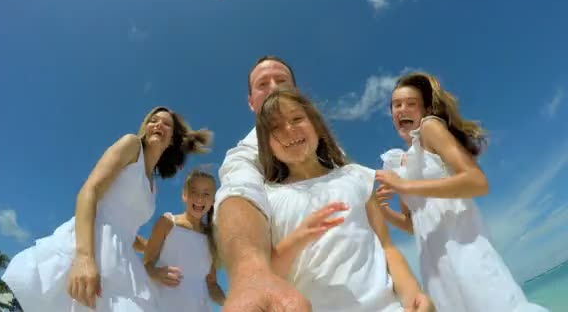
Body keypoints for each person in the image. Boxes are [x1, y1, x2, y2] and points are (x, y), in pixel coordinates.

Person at [1, 106, 212, 312]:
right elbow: (89, 191)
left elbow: (125, 229)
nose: (158, 125)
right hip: (86, 248)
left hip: (119, 262)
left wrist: (162, 244)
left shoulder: (153, 185)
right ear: (145, 127)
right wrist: (83, 258)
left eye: (166, 124)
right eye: (153, 120)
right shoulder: (131, 146)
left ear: (173, 138)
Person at [376, 72, 547, 312]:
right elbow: (414, 224)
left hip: (468, 254)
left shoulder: (429, 128)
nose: (402, 109)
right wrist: (382, 211)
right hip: (436, 271)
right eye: (396, 105)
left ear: (424, 109)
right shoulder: (398, 164)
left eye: (410, 104)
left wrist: (403, 186)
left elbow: (477, 181)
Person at [251, 88, 434, 311]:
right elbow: (266, 277)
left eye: (297, 118)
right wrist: (296, 240)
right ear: (266, 144)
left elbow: (387, 248)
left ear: (317, 126)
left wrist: (414, 295)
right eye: (275, 127)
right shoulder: (266, 198)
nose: (289, 129)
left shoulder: (356, 176)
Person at [213, 56, 313, 311]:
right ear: (250, 102)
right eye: (262, 84)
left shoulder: (335, 153)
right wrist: (250, 273)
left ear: (296, 91)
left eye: (281, 81)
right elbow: (239, 192)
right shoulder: (245, 154)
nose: (274, 87)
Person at [142, 168, 225, 311]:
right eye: (194, 192)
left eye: (206, 194)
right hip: (164, 306)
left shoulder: (212, 238)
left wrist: (231, 303)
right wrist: (156, 272)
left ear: (212, 201)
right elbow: (146, 264)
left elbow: (211, 284)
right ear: (184, 195)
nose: (200, 199)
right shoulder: (167, 222)